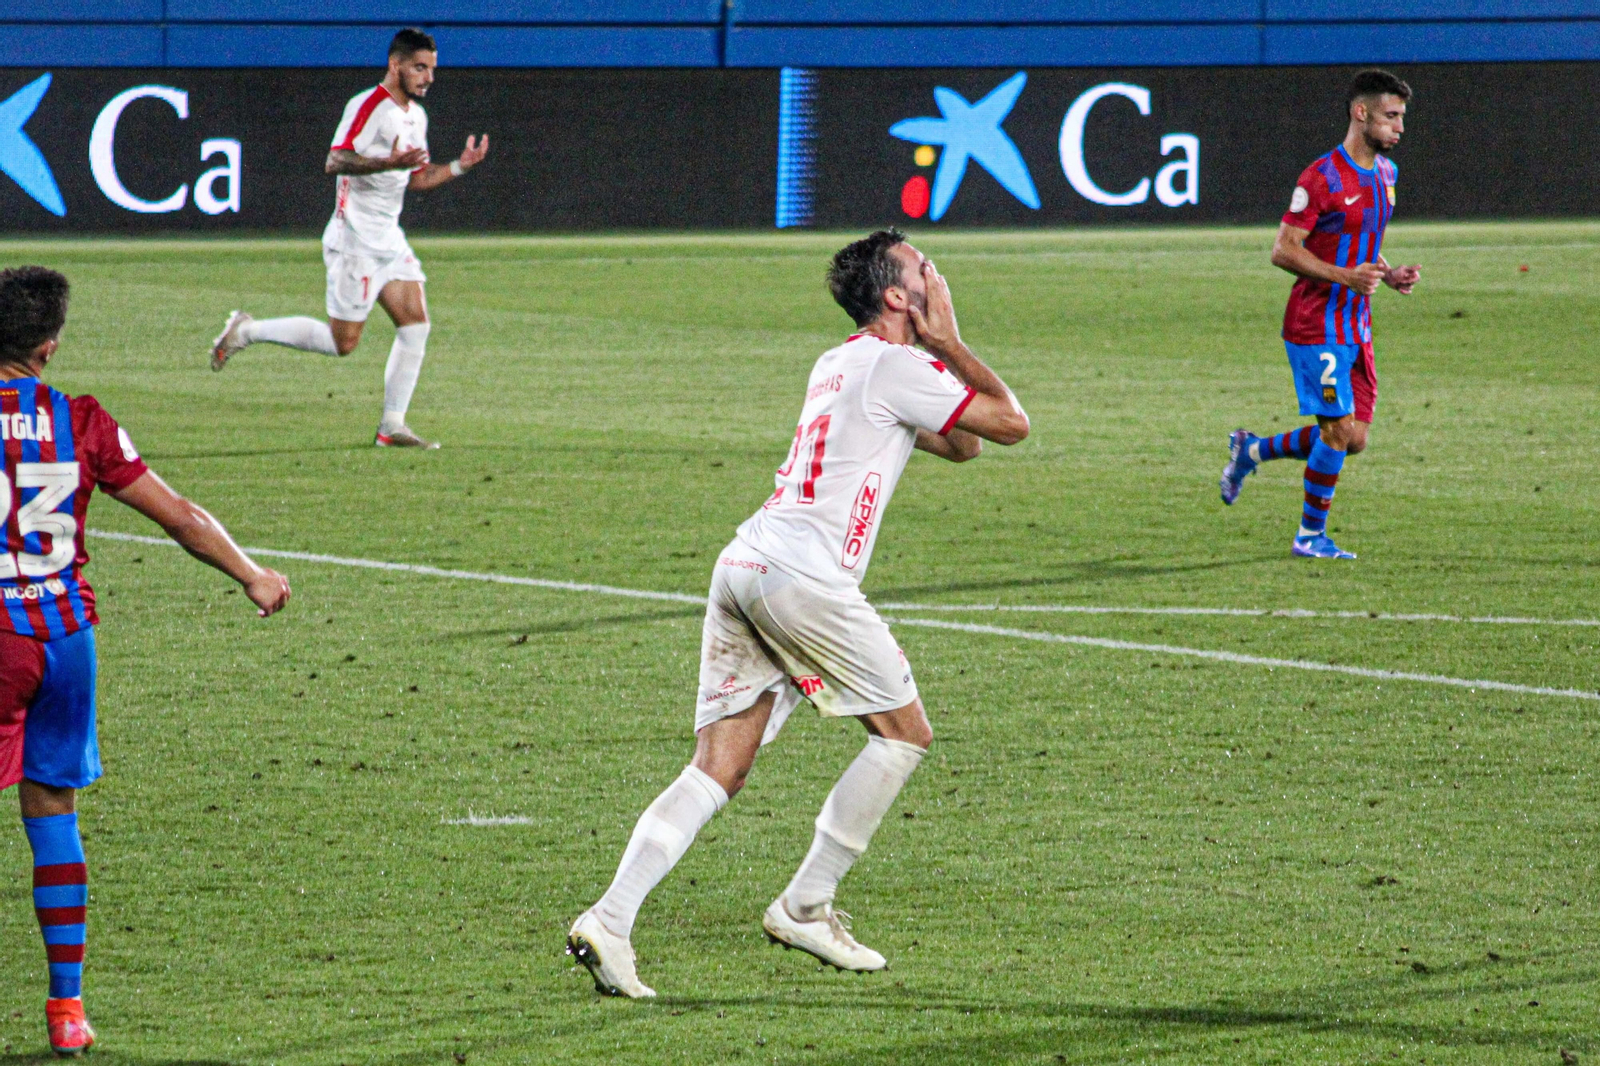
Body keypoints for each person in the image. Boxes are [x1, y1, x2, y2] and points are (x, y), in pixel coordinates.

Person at [566, 229, 1029, 997]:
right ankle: (806, 905)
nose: (938, 277)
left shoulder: (841, 362)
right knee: (905, 734)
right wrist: (951, 342)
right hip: (803, 579)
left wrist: (936, 357)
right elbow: (1011, 423)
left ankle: (609, 921)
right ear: (898, 297)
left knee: (719, 767)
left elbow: (965, 446)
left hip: (747, 563)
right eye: (925, 269)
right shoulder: (897, 364)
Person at [0, 267, 291, 1056]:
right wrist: (251, 574)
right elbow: (181, 516)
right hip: (64, 639)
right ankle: (67, 1009)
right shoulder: (82, 421)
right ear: (49, 347)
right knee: (52, 811)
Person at [208, 27, 489, 449]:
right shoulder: (369, 105)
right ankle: (246, 331)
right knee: (343, 343)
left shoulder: (416, 116)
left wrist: (460, 166)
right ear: (395, 64)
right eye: (420, 67)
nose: (429, 77)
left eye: (432, 69)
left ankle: (391, 426)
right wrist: (385, 162)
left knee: (415, 324)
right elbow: (335, 159)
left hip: (388, 239)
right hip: (354, 241)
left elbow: (416, 178)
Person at [1219, 69, 1421, 559]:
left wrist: (1387, 274)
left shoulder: (1387, 175)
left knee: (1354, 439)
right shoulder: (1321, 177)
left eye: (1402, 117)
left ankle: (1252, 450)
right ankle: (1309, 536)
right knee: (1336, 430)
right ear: (1361, 112)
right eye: (1391, 116)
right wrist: (1346, 277)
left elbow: (1359, 242)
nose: (1399, 127)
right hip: (1316, 323)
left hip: (1356, 323)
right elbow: (1283, 250)